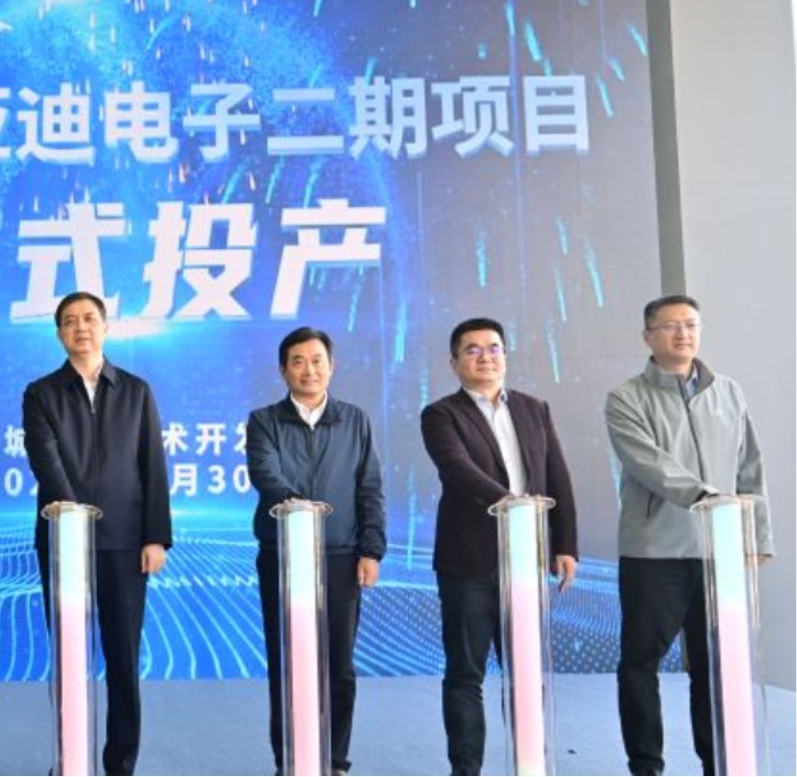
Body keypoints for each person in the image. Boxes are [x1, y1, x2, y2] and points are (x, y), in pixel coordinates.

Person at [606, 294, 773, 776]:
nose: (683, 333)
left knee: (715, 667)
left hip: (719, 552)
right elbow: (647, 462)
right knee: (640, 664)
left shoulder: (729, 392)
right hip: (653, 552)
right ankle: (646, 765)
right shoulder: (626, 397)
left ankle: (718, 763)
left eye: (691, 324)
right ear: (648, 337)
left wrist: (756, 535)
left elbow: (750, 467)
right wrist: (705, 496)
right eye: (671, 325)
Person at [419, 317, 579, 776]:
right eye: (472, 350)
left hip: (526, 561)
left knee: (526, 672)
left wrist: (565, 543)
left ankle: (530, 764)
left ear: (505, 356)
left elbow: (557, 476)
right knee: (466, 674)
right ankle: (466, 769)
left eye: (493, 348)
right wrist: (512, 503)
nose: (485, 357)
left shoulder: (534, 408)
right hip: (468, 563)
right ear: (454, 362)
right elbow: (457, 469)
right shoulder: (441, 414)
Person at [22, 291, 171, 777]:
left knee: (123, 659)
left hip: (126, 543)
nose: (80, 327)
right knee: (69, 657)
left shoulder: (136, 391)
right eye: (70, 321)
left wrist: (155, 536)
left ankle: (120, 764)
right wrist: (73, 516)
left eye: (89, 318)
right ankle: (70, 758)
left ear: (105, 327)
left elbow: (152, 465)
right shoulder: (41, 393)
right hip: (63, 543)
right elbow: (45, 459)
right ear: (59, 334)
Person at [245, 326, 386, 776]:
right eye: (298, 361)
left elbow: (369, 488)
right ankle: (289, 761)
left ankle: (335, 761)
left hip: (341, 555)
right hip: (283, 555)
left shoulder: (355, 420)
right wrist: (296, 506)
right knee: (287, 661)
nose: (309, 369)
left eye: (317, 360)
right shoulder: (264, 421)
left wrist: (372, 550)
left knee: (338, 665)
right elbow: (265, 473)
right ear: (283, 369)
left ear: (332, 365)